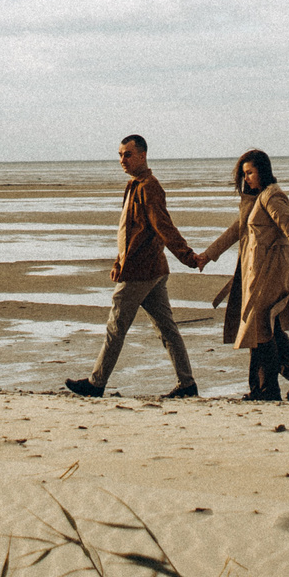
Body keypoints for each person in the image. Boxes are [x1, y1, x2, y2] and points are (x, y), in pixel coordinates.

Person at [65, 134, 202, 399]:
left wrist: (188, 256)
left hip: (142, 271)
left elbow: (164, 227)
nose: (122, 160)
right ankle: (187, 385)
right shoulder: (134, 185)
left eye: (127, 154)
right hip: (147, 269)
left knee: (116, 326)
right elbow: (130, 231)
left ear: (142, 155)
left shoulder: (149, 187)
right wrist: (119, 261)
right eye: (119, 155)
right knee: (167, 330)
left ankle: (96, 384)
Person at [198, 148, 289, 401]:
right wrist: (208, 255)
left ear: (263, 171)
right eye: (244, 174)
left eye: (250, 172)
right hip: (256, 274)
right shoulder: (256, 199)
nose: (246, 178)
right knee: (266, 329)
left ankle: (267, 390)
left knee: (261, 329)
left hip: (270, 273)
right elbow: (235, 230)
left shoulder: (272, 197)